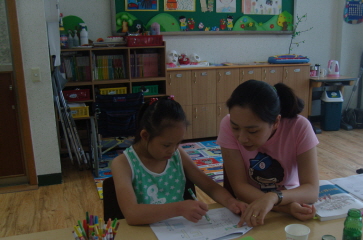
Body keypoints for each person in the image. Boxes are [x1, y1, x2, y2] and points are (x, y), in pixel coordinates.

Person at [111, 97, 247, 225]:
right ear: (145, 136)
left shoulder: (177, 154)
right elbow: (132, 213)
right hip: (145, 236)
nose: (173, 150)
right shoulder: (123, 164)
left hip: (179, 232)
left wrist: (231, 202)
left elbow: (210, 186)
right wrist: (179, 208)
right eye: (166, 145)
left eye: (178, 143)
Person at [217, 80, 319, 227]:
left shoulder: (299, 127)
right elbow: (240, 187)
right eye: (236, 128)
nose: (242, 138)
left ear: (276, 121)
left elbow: (311, 190)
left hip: (292, 199)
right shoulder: (227, 124)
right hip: (259, 206)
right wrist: (284, 207)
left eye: (253, 131)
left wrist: (273, 198)